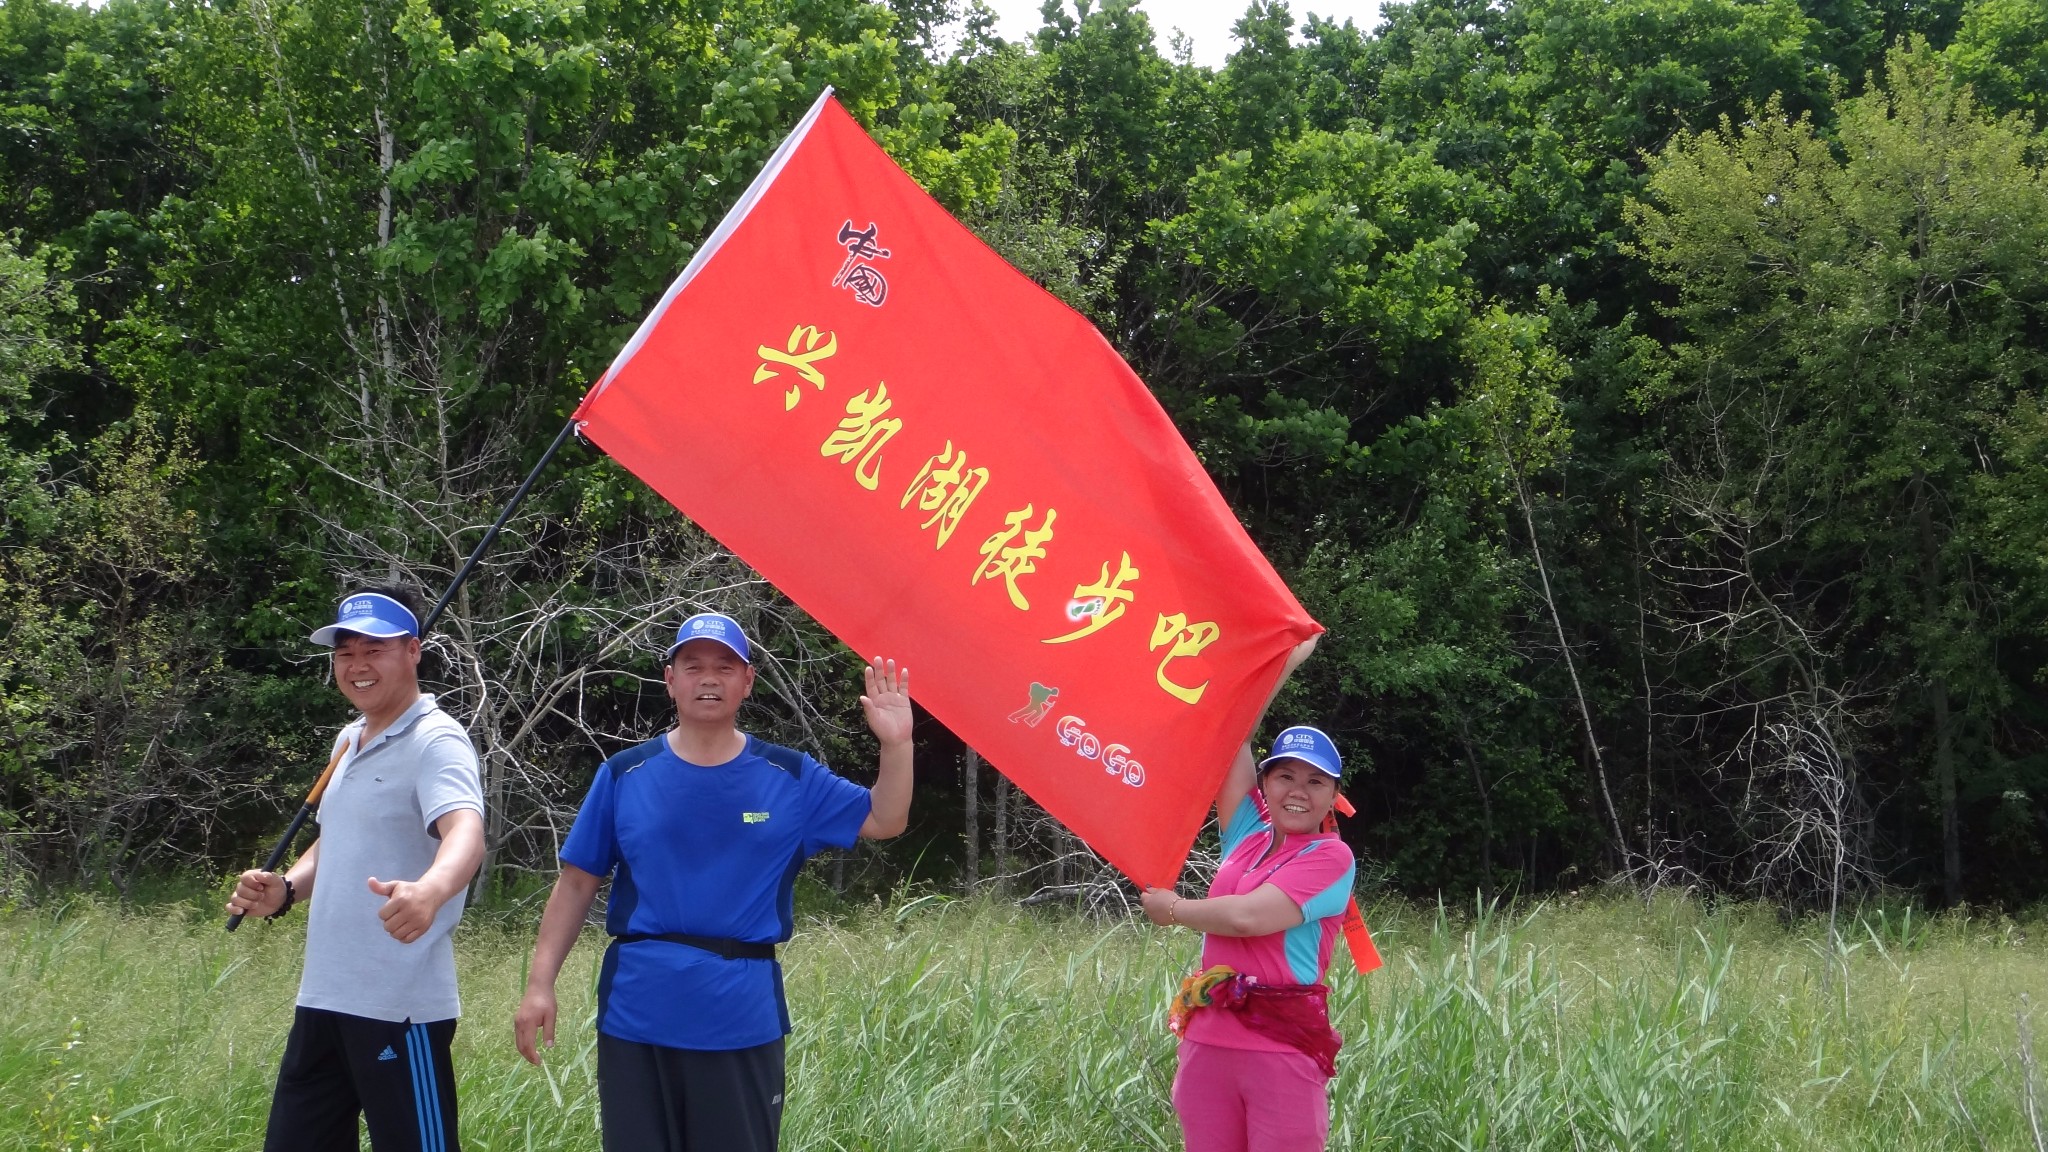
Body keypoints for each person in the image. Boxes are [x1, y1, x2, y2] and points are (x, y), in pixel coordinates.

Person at [514, 611, 914, 1152]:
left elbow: (884, 819)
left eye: (725, 667)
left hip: (739, 1014)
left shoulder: (789, 776)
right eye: (694, 665)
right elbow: (577, 884)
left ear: (747, 682)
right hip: (638, 1012)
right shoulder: (624, 774)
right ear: (670, 679)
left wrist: (896, 745)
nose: (709, 678)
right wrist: (540, 984)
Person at [226, 585, 486, 1152]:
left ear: (413, 651)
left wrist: (430, 891)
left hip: (400, 1007)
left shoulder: (437, 740)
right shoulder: (350, 738)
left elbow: (466, 832)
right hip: (324, 998)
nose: (357, 665)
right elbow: (336, 838)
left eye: (375, 649)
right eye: (345, 652)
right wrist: (287, 888)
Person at [1140, 646, 1356, 1152]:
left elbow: (1247, 918)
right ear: (1265, 781)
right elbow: (1232, 731)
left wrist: (1173, 910)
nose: (1298, 791)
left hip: (1280, 1048)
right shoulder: (1247, 834)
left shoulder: (1332, 858)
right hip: (1207, 1042)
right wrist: (1282, 664)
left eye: (1315, 781)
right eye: (1285, 776)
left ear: (1332, 795)